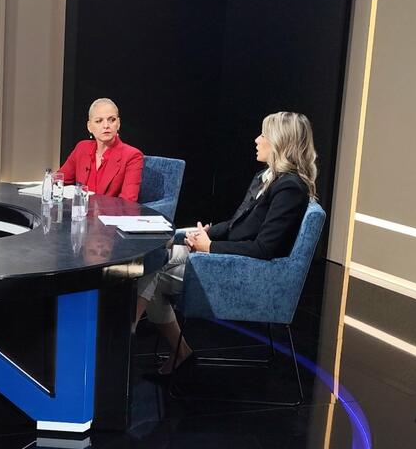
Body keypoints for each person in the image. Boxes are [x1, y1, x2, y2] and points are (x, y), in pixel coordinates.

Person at [136, 111, 318, 376]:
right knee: (157, 257)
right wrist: (207, 233)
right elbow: (237, 225)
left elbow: (263, 249)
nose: (257, 140)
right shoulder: (269, 178)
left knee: (154, 268)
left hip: (249, 274)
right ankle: (176, 351)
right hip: (231, 258)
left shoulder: (290, 189)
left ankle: (124, 339)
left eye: (263, 135)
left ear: (280, 142)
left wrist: (209, 247)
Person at [57, 98, 143, 201]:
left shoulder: (132, 156)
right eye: (99, 121)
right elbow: (58, 181)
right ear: (89, 126)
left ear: (118, 123)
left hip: (110, 211)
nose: (106, 126)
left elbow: (128, 202)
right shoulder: (82, 148)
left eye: (112, 120)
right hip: (80, 210)